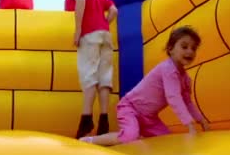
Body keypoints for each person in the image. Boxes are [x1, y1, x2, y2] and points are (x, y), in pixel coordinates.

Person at [80, 25, 210, 146]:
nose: (190, 51)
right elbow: (173, 97)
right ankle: (90, 140)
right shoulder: (168, 69)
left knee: (166, 139)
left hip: (149, 117)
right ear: (170, 49)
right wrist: (189, 124)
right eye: (184, 46)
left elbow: (187, 102)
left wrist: (201, 119)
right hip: (130, 108)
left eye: (194, 48)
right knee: (129, 137)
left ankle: (139, 137)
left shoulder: (185, 78)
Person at [64, 0, 118, 139]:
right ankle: (104, 118)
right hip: (105, 36)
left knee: (89, 75)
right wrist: (104, 23)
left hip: (90, 36)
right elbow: (114, 11)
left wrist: (78, 29)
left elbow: (80, 0)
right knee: (105, 78)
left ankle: (86, 118)